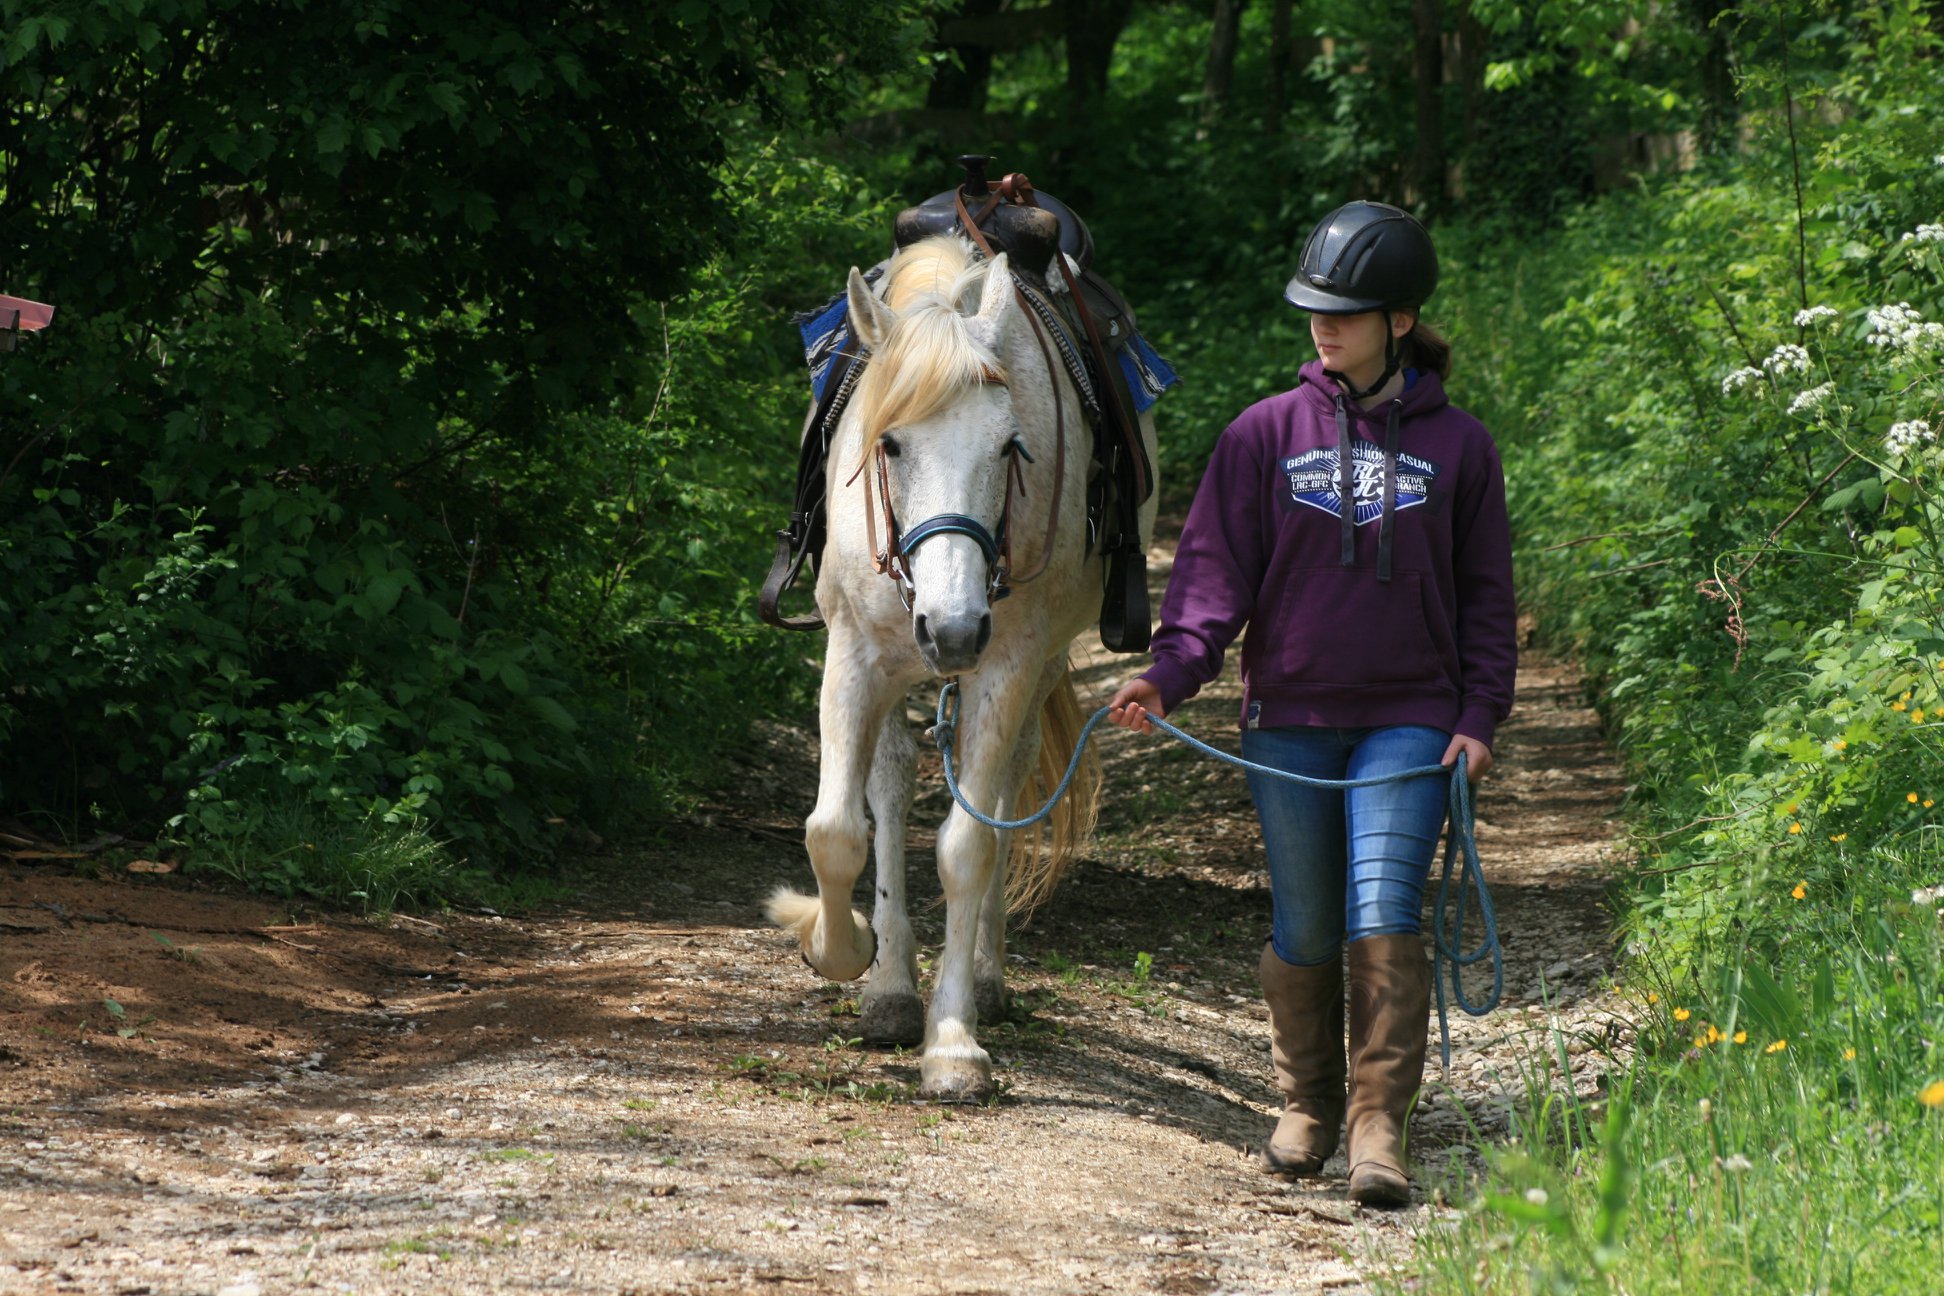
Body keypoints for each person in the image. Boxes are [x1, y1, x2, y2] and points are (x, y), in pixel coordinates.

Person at [1107, 200, 1516, 1207]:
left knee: (1383, 905)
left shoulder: (1463, 449)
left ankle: (1379, 1128)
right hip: (1288, 716)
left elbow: (1486, 599)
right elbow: (1210, 580)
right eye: (1313, 309)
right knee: (1306, 921)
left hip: (1412, 718)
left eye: (1346, 311)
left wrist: (1478, 717)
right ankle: (1309, 1104)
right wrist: (1169, 672)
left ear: (1403, 318)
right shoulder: (1259, 437)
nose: (1323, 326)